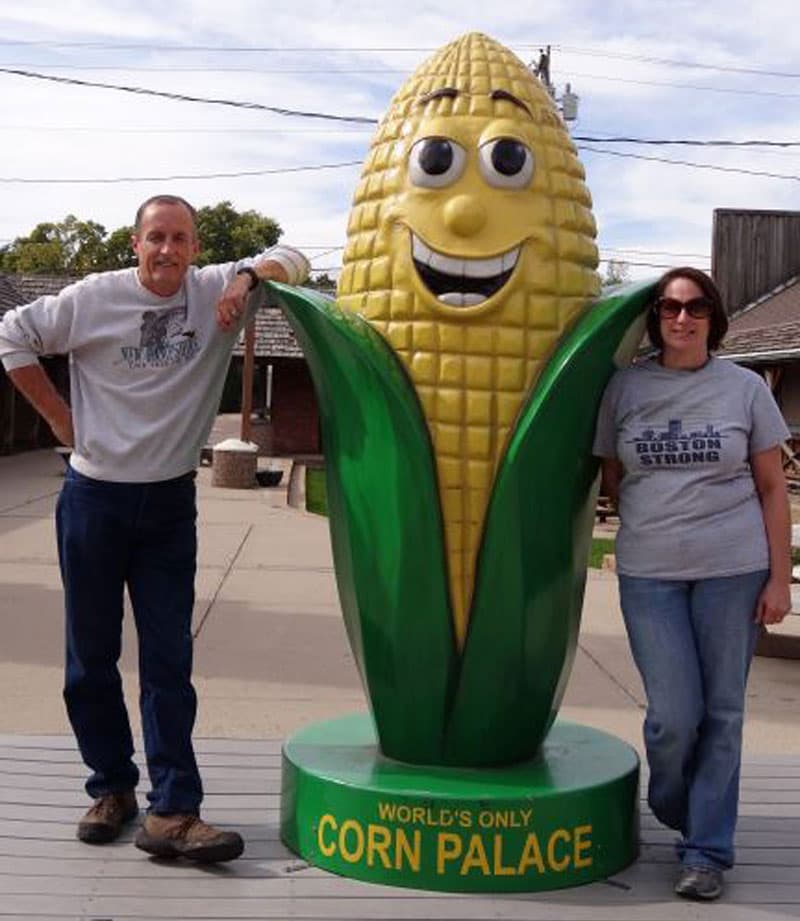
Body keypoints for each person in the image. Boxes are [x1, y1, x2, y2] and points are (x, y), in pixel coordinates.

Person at [0, 195, 309, 863]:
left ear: (196, 249)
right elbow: (10, 336)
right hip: (93, 499)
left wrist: (246, 277)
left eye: (181, 239)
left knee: (169, 660)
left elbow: (296, 258)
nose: (168, 249)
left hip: (168, 506)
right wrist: (58, 420)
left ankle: (173, 809)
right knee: (90, 659)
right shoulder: (91, 299)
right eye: (155, 238)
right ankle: (111, 788)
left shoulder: (214, 290)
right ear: (135, 245)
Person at [592, 266, 791, 902]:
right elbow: (612, 476)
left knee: (723, 713)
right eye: (670, 307)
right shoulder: (624, 389)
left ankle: (707, 850)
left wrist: (779, 576)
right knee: (674, 717)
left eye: (696, 307)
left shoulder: (745, 390)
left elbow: (770, 488)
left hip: (733, 570)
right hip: (651, 572)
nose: (682, 318)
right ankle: (677, 803)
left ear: (714, 317)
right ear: (654, 318)